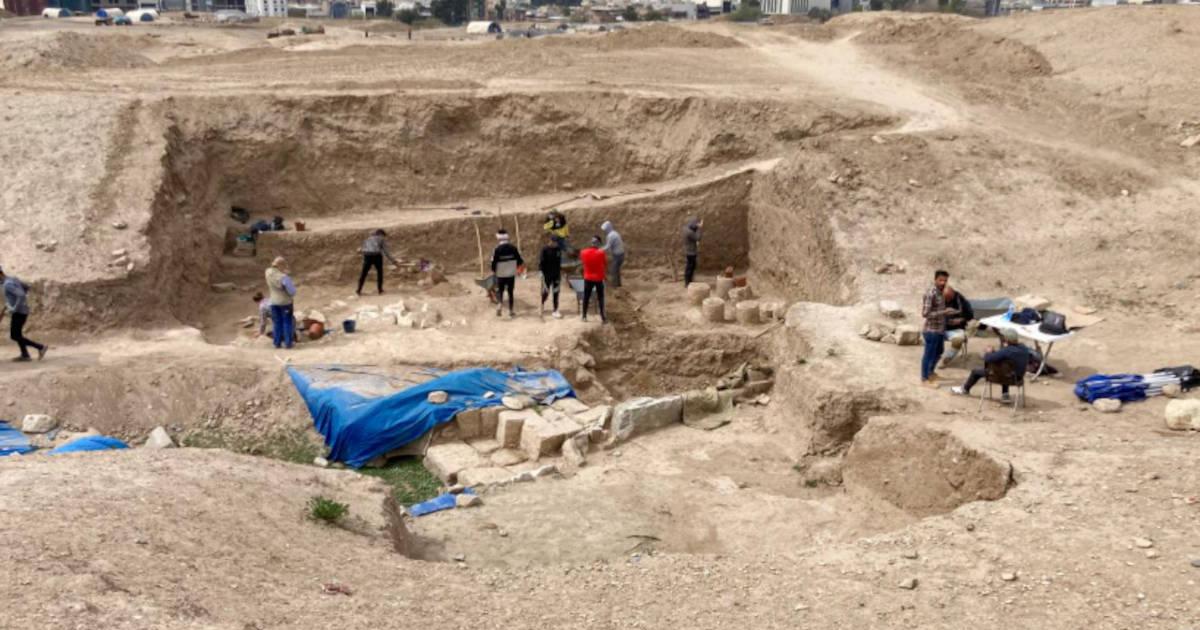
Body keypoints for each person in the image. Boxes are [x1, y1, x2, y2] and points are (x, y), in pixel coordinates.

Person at [951, 328, 1030, 403]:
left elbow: (988, 359)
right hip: (1017, 378)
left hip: (999, 377)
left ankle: (965, 389)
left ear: (1006, 339)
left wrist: (989, 352)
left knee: (975, 372)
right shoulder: (1024, 348)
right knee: (1007, 369)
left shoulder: (1006, 351)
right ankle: (1005, 394)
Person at [0, 266, 48, 362]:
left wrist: (15, 307)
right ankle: (25, 354)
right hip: (22, 311)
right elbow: (27, 287)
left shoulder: (7, 284)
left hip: (19, 312)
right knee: (17, 334)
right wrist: (18, 302)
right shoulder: (13, 279)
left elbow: (21, 295)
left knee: (14, 335)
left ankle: (40, 347)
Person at [920, 269, 958, 386]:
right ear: (935, 279)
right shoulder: (930, 293)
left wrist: (948, 315)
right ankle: (924, 379)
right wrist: (944, 312)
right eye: (940, 280)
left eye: (945, 280)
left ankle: (931, 373)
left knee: (939, 352)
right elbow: (925, 314)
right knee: (929, 355)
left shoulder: (941, 292)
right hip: (931, 331)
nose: (943, 283)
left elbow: (939, 310)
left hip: (940, 330)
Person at [491, 229, 524, 319]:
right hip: (510, 273)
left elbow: (494, 263)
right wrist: (516, 268)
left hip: (501, 273)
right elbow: (520, 261)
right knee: (510, 292)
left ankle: (500, 303)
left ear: (498, 239)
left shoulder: (497, 249)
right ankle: (511, 311)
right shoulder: (513, 248)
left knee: (500, 291)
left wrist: (494, 271)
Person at [264, 257, 296, 349]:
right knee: (287, 322)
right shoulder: (284, 277)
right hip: (285, 302)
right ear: (281, 266)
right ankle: (288, 343)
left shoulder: (267, 272)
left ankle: (276, 343)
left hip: (273, 301)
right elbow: (292, 292)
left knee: (277, 323)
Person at [940, 285, 975, 367]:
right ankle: (934, 358)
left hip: (955, 329)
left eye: (949, 298)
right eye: (946, 298)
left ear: (953, 293)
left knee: (958, 340)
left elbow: (970, 315)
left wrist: (961, 320)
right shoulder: (938, 299)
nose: (947, 300)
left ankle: (946, 359)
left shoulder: (961, 301)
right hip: (940, 327)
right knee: (932, 337)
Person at [357, 229, 399, 296]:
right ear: (381, 234)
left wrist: (362, 252)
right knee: (380, 273)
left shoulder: (368, 239)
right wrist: (393, 260)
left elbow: (361, 249)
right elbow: (386, 251)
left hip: (367, 256)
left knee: (363, 273)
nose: (384, 237)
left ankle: (358, 290)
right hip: (376, 256)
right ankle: (380, 290)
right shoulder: (381, 239)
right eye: (383, 236)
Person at [579, 235, 607, 323]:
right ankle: (603, 317)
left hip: (588, 278)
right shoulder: (601, 253)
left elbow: (582, 262)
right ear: (598, 243)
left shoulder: (583, 252)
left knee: (586, 297)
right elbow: (605, 264)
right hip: (598, 278)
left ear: (591, 243)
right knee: (601, 298)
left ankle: (584, 316)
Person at [539, 233, 563, 319]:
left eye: (557, 242)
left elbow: (559, 262)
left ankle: (555, 309)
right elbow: (541, 262)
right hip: (547, 275)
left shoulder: (558, 249)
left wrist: (561, 272)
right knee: (546, 292)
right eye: (555, 242)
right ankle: (541, 305)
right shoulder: (544, 250)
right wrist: (541, 272)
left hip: (556, 274)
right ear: (551, 241)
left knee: (556, 292)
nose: (556, 244)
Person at [600, 220, 625, 288]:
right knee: (616, 270)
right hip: (621, 254)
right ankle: (618, 284)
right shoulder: (615, 233)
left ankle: (614, 286)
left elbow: (608, 246)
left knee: (613, 270)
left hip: (618, 256)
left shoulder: (610, 235)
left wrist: (599, 250)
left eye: (605, 229)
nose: (604, 231)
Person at [682, 217, 703, 286]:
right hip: (691, 252)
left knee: (691, 266)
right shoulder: (689, 232)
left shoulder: (685, 229)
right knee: (690, 267)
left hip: (689, 250)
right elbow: (698, 238)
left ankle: (689, 281)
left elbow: (693, 229)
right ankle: (688, 283)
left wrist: (696, 227)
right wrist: (700, 228)